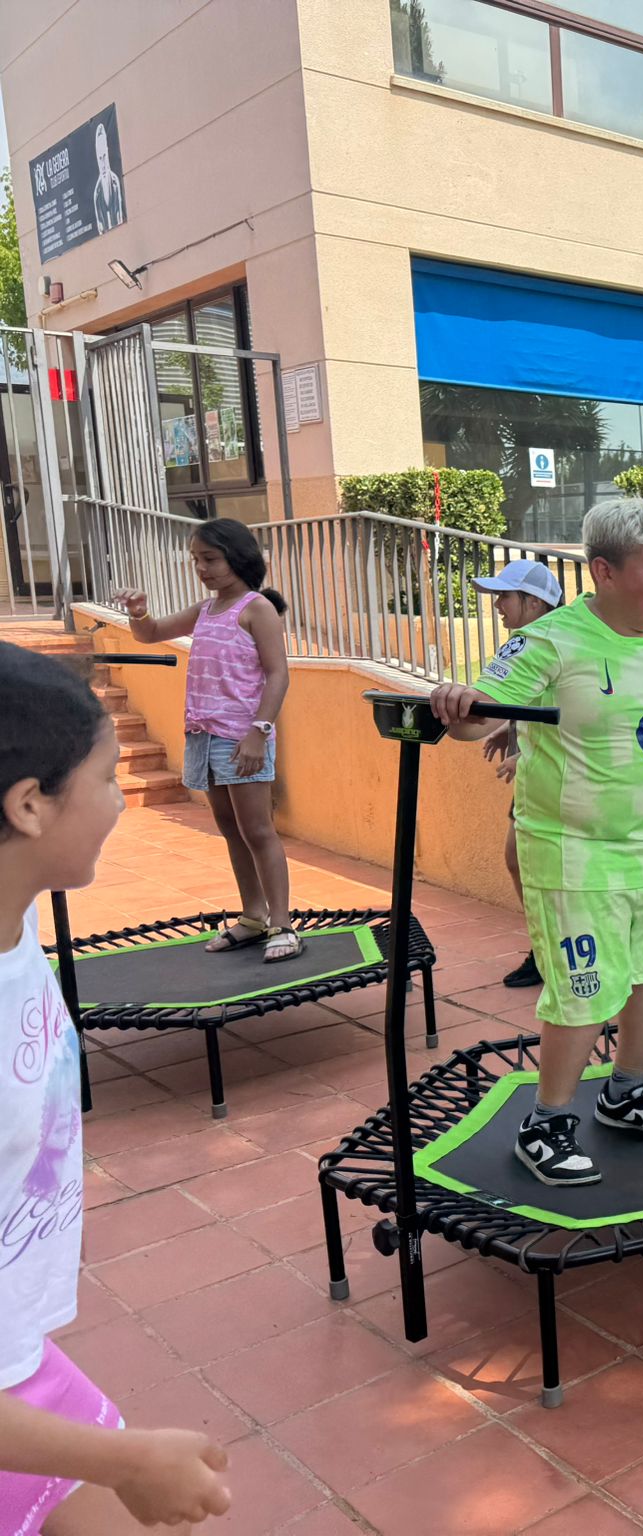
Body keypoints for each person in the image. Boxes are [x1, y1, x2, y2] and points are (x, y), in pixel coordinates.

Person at [0, 642, 233, 1531]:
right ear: (29, 805)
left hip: (19, 1359)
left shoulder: (15, 922)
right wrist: (125, 1460)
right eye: (105, 779)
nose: (121, 801)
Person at [428, 498, 643, 1185]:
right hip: (570, 852)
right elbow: (478, 718)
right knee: (583, 991)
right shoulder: (551, 641)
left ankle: (627, 1092)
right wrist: (457, 705)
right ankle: (546, 1123)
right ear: (604, 572)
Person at [113, 518, 297, 961]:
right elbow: (151, 633)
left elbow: (278, 675)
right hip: (204, 735)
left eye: (210, 559)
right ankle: (253, 917)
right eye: (196, 559)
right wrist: (138, 611)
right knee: (230, 828)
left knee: (258, 830)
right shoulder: (205, 610)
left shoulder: (256, 609)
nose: (201, 568)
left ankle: (283, 924)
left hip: (241, 737)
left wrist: (258, 733)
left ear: (237, 557)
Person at [470, 559, 565, 989]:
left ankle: (558, 954)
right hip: (535, 777)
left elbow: (577, 717)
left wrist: (524, 756)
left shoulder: (559, 642)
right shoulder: (530, 643)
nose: (497, 605)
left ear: (534, 602)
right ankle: (546, 950)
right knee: (517, 860)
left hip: (559, 781)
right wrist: (510, 728)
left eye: (504, 596)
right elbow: (534, 702)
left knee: (550, 874)